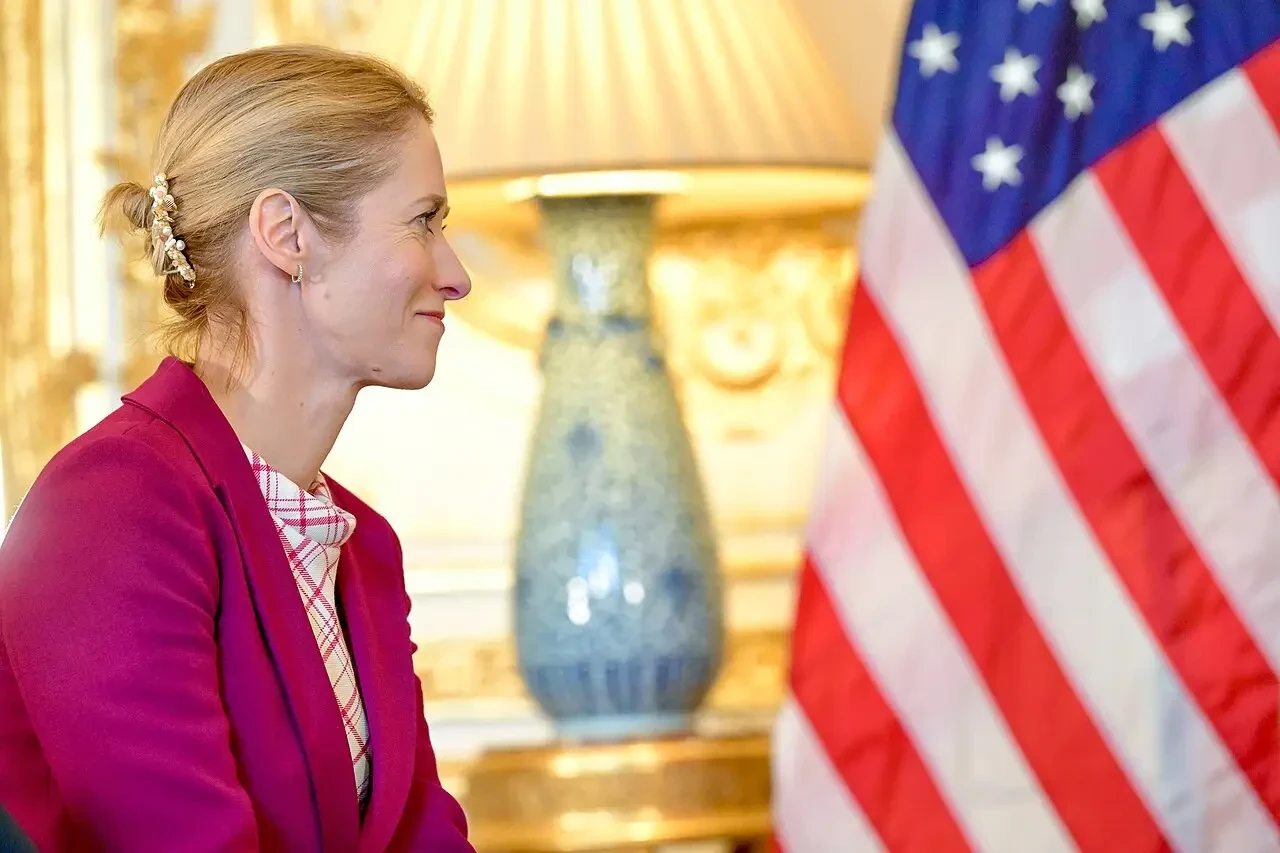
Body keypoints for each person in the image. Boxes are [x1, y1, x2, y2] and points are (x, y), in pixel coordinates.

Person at [0, 44, 474, 852]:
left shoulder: (364, 546)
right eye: (424, 221)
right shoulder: (115, 506)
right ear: (287, 233)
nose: (456, 274)